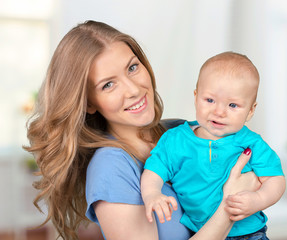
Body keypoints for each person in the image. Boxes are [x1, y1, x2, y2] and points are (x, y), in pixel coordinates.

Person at [24, 20, 261, 240]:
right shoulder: (112, 168)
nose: (134, 90)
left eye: (132, 68)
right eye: (108, 85)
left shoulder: (180, 130)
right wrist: (230, 208)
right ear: (88, 103)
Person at [141, 52, 286, 239]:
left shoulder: (252, 143)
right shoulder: (175, 140)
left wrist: (258, 199)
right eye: (209, 100)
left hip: (249, 234)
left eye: (233, 105)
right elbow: (154, 169)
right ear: (196, 97)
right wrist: (152, 193)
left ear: (250, 111)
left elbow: (276, 180)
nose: (219, 112)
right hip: (202, 232)